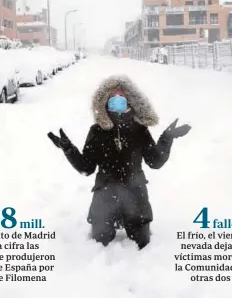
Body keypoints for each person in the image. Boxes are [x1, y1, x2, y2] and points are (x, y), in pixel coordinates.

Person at [48, 75, 191, 249]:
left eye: (121, 97)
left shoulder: (139, 130)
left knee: (143, 243)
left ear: (130, 101)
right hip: (105, 194)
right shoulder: (97, 131)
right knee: (99, 241)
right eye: (112, 98)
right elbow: (86, 167)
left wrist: (167, 137)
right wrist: (69, 149)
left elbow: (155, 161)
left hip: (136, 195)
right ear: (105, 102)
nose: (117, 101)